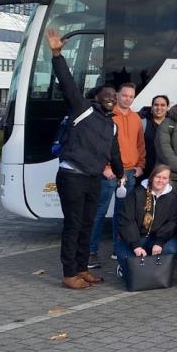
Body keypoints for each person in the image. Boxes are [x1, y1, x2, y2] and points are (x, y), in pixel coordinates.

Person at [45, 28, 123, 290]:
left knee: (88, 225)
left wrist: (121, 173)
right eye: (107, 94)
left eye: (115, 95)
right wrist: (57, 55)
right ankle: (69, 274)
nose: (111, 97)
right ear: (96, 96)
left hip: (93, 178)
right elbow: (67, 82)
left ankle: (81, 268)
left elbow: (114, 154)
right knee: (73, 224)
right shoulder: (83, 109)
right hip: (72, 176)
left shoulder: (112, 125)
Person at [88, 81, 146, 270]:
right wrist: (105, 167)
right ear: (117, 96)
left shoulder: (136, 118)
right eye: (124, 95)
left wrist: (140, 165)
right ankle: (90, 252)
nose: (127, 99)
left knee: (123, 214)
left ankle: (118, 248)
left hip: (129, 173)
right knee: (99, 212)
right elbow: (97, 144)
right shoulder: (107, 116)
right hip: (109, 173)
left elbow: (140, 145)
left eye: (131, 96)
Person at [115, 163, 177, 284]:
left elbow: (172, 222)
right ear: (152, 177)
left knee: (170, 248)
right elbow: (126, 220)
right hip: (136, 237)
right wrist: (135, 245)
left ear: (168, 180)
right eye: (158, 177)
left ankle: (152, 270)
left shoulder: (172, 197)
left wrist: (160, 242)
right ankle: (124, 266)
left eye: (164, 178)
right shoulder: (137, 193)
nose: (160, 180)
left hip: (156, 238)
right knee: (127, 260)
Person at [139, 94, 169, 182]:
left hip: (164, 172)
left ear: (167, 108)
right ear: (151, 108)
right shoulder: (142, 123)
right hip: (145, 171)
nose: (159, 108)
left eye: (163, 105)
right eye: (156, 105)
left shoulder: (173, 125)